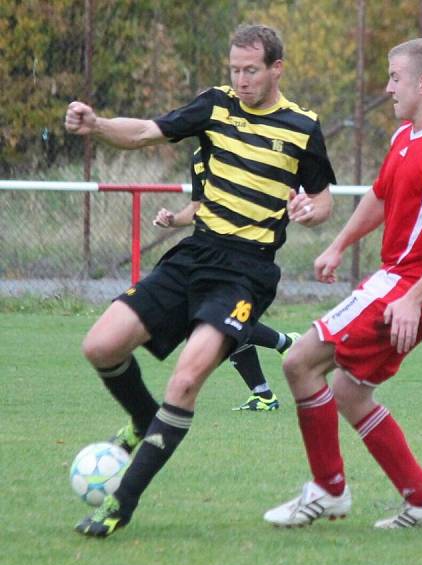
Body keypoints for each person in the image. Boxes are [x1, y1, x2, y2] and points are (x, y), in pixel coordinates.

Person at [64, 24, 336, 537]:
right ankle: (144, 419)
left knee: (186, 381)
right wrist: (97, 125)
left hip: (246, 272)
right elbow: (145, 131)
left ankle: (119, 505)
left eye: (251, 70)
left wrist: (309, 209)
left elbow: (322, 200)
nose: (241, 79)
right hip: (193, 256)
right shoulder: (215, 106)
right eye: (234, 69)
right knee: (100, 346)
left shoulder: (302, 127)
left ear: (277, 68)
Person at [262, 37, 422, 529]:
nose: (388, 88)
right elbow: (382, 197)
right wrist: (338, 243)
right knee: (348, 393)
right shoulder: (406, 136)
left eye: (395, 78)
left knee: (299, 363)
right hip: (394, 283)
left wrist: (413, 298)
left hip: (406, 287)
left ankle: (328, 490)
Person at [152, 148, 302, 412]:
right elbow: (197, 209)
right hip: (210, 250)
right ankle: (264, 392)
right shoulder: (198, 157)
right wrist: (173, 219)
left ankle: (283, 347)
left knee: (215, 319)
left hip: (243, 252)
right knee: (216, 319)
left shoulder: (244, 145)